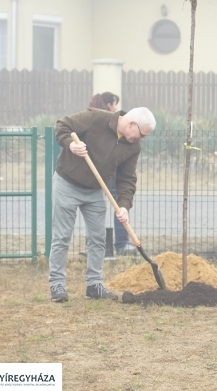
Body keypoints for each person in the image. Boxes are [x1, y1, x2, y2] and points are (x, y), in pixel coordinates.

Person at [49, 106, 156, 302]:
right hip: (67, 183)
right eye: (142, 135)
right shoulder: (96, 118)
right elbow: (63, 126)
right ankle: (57, 285)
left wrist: (124, 205)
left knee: (98, 239)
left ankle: (94, 285)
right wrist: (71, 146)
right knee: (62, 236)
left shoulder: (133, 147)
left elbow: (127, 179)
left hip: (96, 189)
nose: (141, 140)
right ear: (132, 124)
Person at [87, 92, 133, 255]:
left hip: (97, 175)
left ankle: (93, 246)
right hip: (109, 175)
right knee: (119, 209)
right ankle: (121, 245)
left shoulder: (93, 119)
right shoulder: (110, 123)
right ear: (108, 105)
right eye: (115, 104)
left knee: (94, 210)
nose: (116, 108)